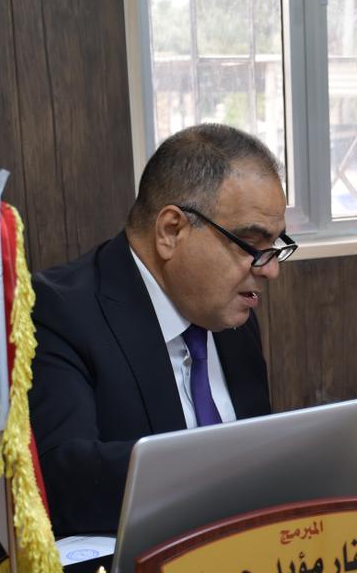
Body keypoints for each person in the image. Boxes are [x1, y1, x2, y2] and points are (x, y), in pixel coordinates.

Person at [30, 124, 296, 534]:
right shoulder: (58, 312)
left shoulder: (229, 310)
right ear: (171, 231)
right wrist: (228, 467)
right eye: (250, 244)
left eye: (275, 246)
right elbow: (65, 482)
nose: (270, 270)